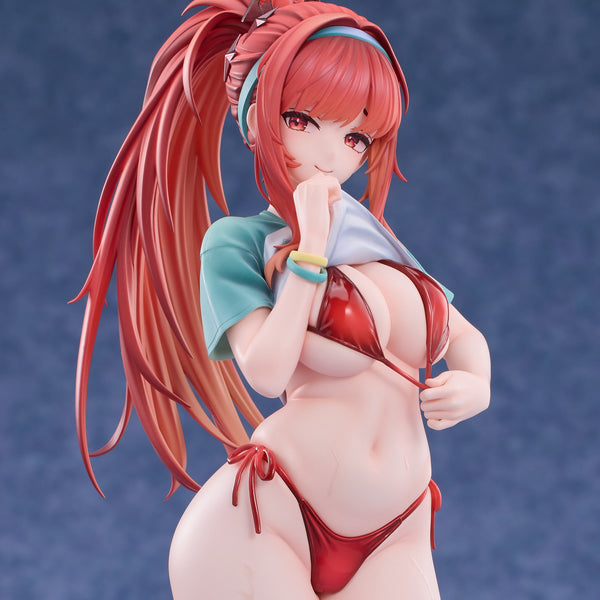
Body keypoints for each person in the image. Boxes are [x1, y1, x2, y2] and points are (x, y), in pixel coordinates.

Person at [75, 1, 491, 598]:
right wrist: (309, 253)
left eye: (355, 136)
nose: (331, 154)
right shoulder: (238, 242)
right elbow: (266, 372)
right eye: (303, 121)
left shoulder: (379, 244)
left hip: (397, 524)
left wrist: (476, 383)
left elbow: (462, 334)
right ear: (256, 121)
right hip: (270, 514)